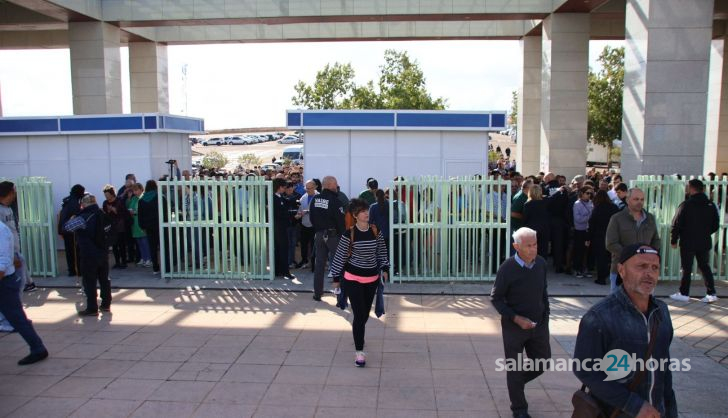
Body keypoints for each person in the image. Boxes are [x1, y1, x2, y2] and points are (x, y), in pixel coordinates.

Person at [573, 244, 677, 418]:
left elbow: (664, 372)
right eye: (641, 266)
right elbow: (585, 370)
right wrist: (634, 406)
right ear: (621, 270)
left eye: (654, 268)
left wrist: (670, 412)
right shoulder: (599, 317)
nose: (649, 274)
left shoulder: (662, 312)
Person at [490, 227, 550, 418]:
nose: (533, 249)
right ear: (516, 246)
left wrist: (545, 315)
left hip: (538, 325)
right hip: (514, 327)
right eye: (528, 246)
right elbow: (496, 298)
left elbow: (543, 291)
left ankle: (516, 383)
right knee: (514, 368)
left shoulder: (541, 264)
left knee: (542, 363)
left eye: (535, 244)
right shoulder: (507, 268)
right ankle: (519, 409)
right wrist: (515, 318)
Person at [330, 198, 389, 367]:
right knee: (359, 314)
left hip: (371, 279)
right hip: (352, 278)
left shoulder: (375, 231)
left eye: (367, 210)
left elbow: (381, 252)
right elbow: (340, 256)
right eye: (363, 211)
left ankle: (359, 334)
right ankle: (359, 352)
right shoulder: (349, 233)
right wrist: (336, 279)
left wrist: (385, 268)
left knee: (363, 316)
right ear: (355, 215)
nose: (366, 213)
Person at [0, 219, 48, 364]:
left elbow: (3, 261)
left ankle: (38, 348)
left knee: (17, 318)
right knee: (17, 317)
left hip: (4, 282)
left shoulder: (1, 230)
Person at [669, 179, 720, 303]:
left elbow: (676, 223)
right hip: (704, 241)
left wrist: (674, 239)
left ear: (691, 188)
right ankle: (711, 293)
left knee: (687, 268)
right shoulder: (710, 205)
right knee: (705, 266)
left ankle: (684, 293)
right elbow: (715, 224)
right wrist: (705, 233)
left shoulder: (686, 204)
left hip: (688, 241)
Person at [64, 194, 112, 316]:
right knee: (104, 279)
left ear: (83, 204)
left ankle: (92, 308)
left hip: (89, 254)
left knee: (89, 281)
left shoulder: (83, 217)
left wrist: (72, 217)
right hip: (103, 252)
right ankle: (106, 304)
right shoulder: (102, 214)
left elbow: (67, 228)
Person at [605, 188, 660, 291]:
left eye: (642, 199)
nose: (640, 202)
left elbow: (656, 240)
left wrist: (650, 256)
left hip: (645, 272)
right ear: (627, 200)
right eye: (636, 199)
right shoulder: (617, 218)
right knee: (619, 304)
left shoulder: (650, 218)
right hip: (621, 271)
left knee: (643, 304)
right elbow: (611, 244)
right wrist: (631, 257)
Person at [309, 176, 346, 301]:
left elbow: (312, 218)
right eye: (335, 184)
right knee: (338, 265)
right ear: (330, 185)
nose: (337, 186)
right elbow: (340, 222)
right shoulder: (336, 201)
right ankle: (339, 293)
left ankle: (317, 294)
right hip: (333, 236)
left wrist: (319, 230)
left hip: (319, 235)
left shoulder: (315, 199)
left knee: (319, 264)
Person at [589, 190, 619, 285]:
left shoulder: (597, 208)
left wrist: (589, 237)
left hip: (599, 236)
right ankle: (612, 274)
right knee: (611, 257)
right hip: (613, 235)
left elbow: (592, 223)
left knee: (600, 258)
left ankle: (601, 277)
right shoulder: (614, 207)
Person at [272, 178, 297, 280]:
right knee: (282, 249)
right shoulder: (273, 198)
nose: (285, 189)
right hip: (279, 227)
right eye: (284, 187)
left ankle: (279, 271)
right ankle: (285, 271)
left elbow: (287, 201)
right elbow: (279, 214)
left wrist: (297, 200)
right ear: (280, 187)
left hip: (281, 227)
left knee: (279, 249)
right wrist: (294, 213)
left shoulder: (279, 196)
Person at [58, 184, 85, 276]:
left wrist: (60, 231)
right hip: (72, 231)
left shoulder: (67, 200)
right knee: (76, 251)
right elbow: (78, 215)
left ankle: (71, 270)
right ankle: (77, 270)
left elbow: (61, 216)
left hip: (65, 229)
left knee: (69, 251)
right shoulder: (74, 202)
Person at [102, 185, 129, 269]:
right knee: (114, 245)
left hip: (120, 226)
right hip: (111, 226)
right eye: (105, 195)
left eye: (107, 195)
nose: (106, 197)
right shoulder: (105, 203)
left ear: (112, 194)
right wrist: (108, 211)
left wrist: (114, 210)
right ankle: (117, 262)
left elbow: (123, 213)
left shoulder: (119, 201)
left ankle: (124, 262)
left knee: (121, 245)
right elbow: (105, 214)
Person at [137, 180, 161, 274]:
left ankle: (155, 268)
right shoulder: (159, 197)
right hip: (159, 225)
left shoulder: (142, 200)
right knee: (162, 246)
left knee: (152, 247)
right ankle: (166, 266)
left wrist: (142, 226)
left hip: (148, 226)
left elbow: (140, 215)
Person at [295, 180, 318, 269]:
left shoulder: (319, 196)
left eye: (310, 188)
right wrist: (298, 214)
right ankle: (304, 260)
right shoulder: (303, 197)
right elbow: (300, 209)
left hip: (314, 225)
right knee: (303, 244)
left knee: (314, 245)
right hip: (304, 224)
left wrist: (307, 211)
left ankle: (313, 263)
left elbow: (319, 211)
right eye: (306, 188)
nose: (308, 190)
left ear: (315, 187)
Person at [522, 186, 550, 260]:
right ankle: (542, 268)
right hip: (544, 229)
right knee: (543, 250)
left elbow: (525, 219)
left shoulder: (528, 204)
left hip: (532, 230)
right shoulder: (546, 201)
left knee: (531, 250)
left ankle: (532, 269)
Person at [572, 187, 594, 278]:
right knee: (579, 250)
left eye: (590, 193)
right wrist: (589, 217)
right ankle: (577, 269)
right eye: (587, 193)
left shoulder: (591, 203)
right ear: (582, 193)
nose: (589, 195)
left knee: (588, 251)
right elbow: (577, 219)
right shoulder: (577, 204)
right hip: (580, 230)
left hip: (588, 230)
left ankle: (586, 269)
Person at [127, 184, 151, 267]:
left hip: (142, 222)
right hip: (135, 223)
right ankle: (143, 258)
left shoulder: (144, 198)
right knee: (139, 242)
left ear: (141, 189)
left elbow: (144, 210)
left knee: (145, 242)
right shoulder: (133, 198)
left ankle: (148, 259)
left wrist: (135, 212)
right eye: (134, 190)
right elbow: (129, 207)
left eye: (136, 190)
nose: (135, 192)